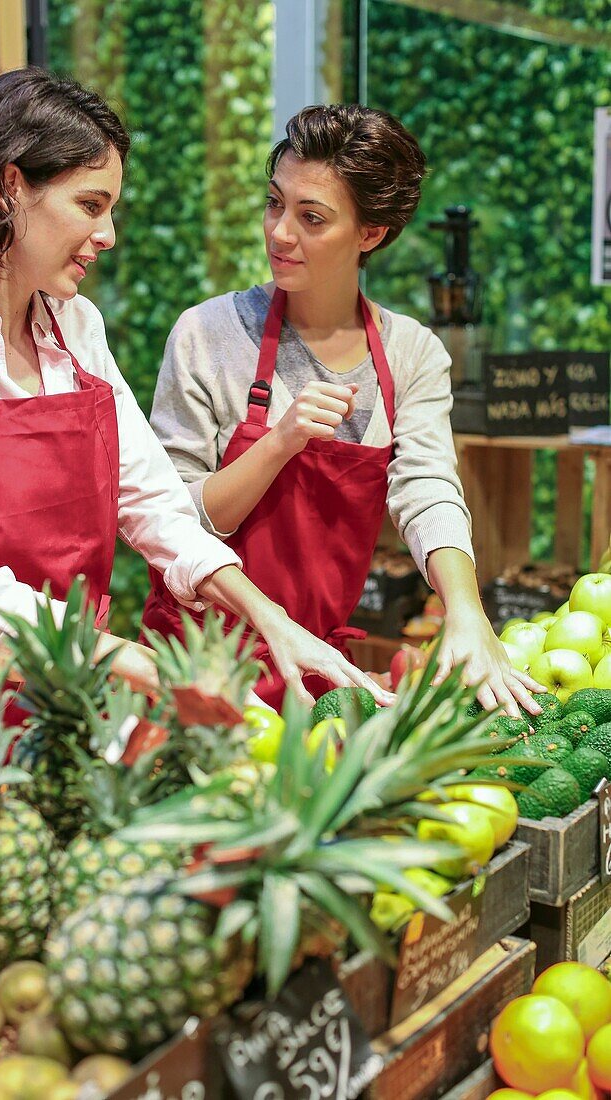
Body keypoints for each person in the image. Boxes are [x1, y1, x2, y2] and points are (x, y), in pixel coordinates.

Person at [0, 72, 382, 829]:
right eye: (91, 205)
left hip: (76, 703)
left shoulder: (76, 330)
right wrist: (151, 668)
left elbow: (152, 501)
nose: (108, 235)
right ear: (10, 186)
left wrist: (271, 619)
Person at [141, 103, 544, 716]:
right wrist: (278, 444)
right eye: (275, 203)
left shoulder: (411, 354)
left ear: (370, 234)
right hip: (197, 671)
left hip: (321, 674)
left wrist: (468, 614)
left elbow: (427, 488)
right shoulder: (207, 335)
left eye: (312, 218)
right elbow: (173, 521)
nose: (280, 232)